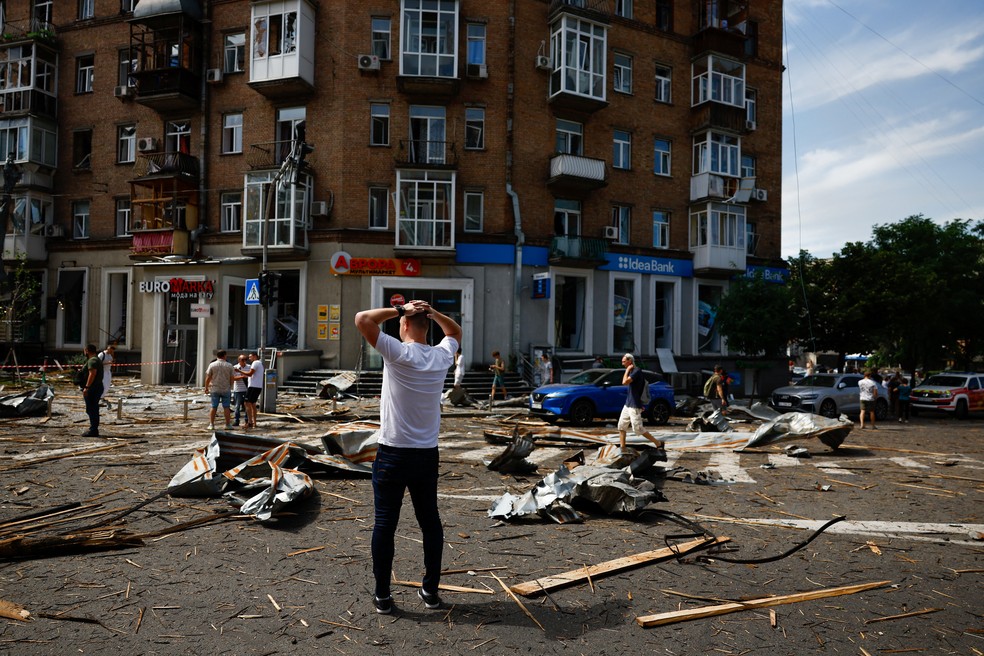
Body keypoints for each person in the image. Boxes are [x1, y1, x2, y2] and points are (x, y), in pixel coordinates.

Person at [355, 299, 461, 615]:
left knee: (386, 524)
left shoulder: (398, 353)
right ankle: (430, 592)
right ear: (427, 325)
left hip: (392, 454)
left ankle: (383, 596)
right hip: (426, 456)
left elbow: (362, 318)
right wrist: (434, 313)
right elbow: (454, 330)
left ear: (403, 326)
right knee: (430, 523)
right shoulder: (442, 355)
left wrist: (401, 309)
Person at [616, 353, 666, 456]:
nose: (622, 364)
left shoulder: (636, 371)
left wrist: (626, 371)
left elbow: (624, 382)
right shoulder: (631, 371)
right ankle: (623, 449)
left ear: (630, 361)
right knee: (621, 426)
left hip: (634, 405)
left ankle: (658, 443)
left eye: (624, 361)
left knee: (638, 429)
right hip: (628, 404)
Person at [204, 350, 235, 431]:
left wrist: (206, 387)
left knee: (214, 406)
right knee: (226, 407)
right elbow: (232, 378)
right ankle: (227, 424)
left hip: (215, 388)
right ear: (224, 355)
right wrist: (231, 387)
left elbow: (208, 377)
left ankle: (211, 424)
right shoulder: (229, 365)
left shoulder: (212, 365)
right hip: (226, 389)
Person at [80, 344, 104, 437]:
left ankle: (93, 430)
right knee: (93, 408)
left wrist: (87, 387)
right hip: (96, 387)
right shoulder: (96, 360)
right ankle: (94, 429)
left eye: (85, 350)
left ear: (87, 350)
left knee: (91, 409)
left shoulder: (92, 361)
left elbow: (92, 374)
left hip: (93, 388)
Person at [244, 351, 264, 429]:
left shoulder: (255, 363)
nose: (249, 358)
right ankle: (254, 423)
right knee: (253, 404)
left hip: (253, 386)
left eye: (250, 356)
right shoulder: (260, 363)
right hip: (257, 386)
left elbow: (250, 373)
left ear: (255, 356)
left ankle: (250, 422)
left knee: (247, 402)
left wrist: (240, 371)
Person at [232, 354, 250, 427]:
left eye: (245, 360)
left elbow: (250, 375)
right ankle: (236, 420)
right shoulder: (235, 367)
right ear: (239, 360)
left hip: (246, 389)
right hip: (238, 389)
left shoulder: (249, 367)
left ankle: (246, 420)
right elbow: (233, 378)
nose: (244, 361)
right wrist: (242, 376)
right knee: (237, 406)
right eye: (242, 360)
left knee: (247, 406)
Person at [97, 344, 115, 408]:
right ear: (108, 348)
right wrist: (107, 363)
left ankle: (101, 397)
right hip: (103, 371)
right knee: (104, 385)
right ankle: (99, 397)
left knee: (107, 385)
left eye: (112, 351)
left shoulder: (110, 355)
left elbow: (111, 361)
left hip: (108, 371)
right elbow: (97, 363)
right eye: (110, 350)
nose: (111, 352)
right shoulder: (102, 354)